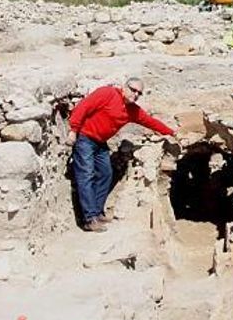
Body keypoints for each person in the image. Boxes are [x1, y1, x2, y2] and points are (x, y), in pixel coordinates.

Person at [67, 77, 175, 232]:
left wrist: (171, 132)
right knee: (86, 175)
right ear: (125, 87)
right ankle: (89, 219)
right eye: (133, 90)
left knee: (106, 173)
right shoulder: (107, 93)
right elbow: (84, 107)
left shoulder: (131, 110)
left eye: (139, 93)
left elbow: (149, 121)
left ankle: (97, 212)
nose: (136, 94)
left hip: (100, 142)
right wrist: (73, 130)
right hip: (85, 138)